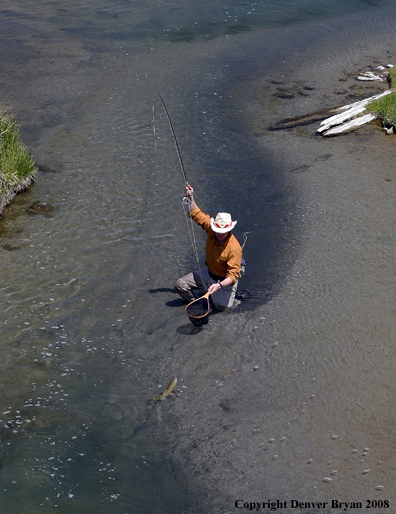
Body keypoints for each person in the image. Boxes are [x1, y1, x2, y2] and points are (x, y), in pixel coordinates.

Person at [175, 184, 243, 319]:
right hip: (209, 273)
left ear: (229, 230)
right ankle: (199, 303)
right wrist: (190, 196)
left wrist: (218, 285)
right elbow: (196, 214)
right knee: (180, 285)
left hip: (223, 280)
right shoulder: (212, 230)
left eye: (223, 232)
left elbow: (233, 275)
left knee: (223, 309)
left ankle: (237, 298)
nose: (219, 234)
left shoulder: (234, 248)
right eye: (217, 231)